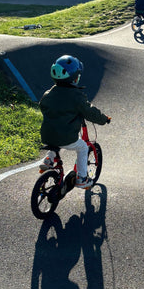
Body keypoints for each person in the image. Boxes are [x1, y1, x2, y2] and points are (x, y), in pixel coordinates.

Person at [39, 54, 110, 188]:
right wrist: (104, 119)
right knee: (82, 147)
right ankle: (82, 178)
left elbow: (43, 106)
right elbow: (90, 112)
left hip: (47, 135)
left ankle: (48, 159)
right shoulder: (76, 96)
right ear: (75, 77)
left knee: (56, 140)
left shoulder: (49, 93)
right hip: (66, 137)